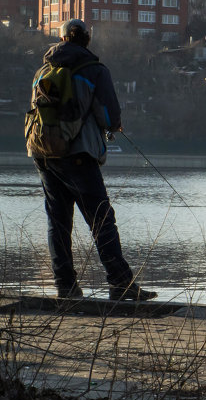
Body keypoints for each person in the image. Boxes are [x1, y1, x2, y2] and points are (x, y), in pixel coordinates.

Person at [29, 19, 156, 302]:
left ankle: (66, 287)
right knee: (102, 220)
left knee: (58, 222)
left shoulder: (43, 70)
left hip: (43, 153)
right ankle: (120, 283)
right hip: (79, 155)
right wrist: (113, 127)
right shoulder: (94, 70)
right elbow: (109, 115)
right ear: (87, 40)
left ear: (61, 39)